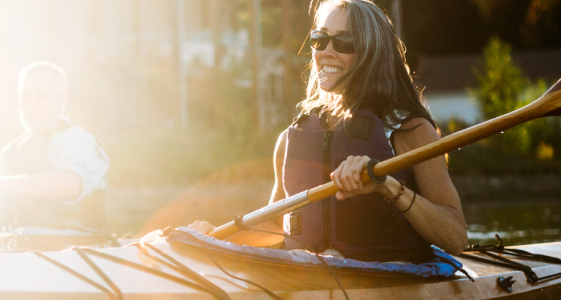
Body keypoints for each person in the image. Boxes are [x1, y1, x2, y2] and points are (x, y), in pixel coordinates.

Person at [183, 0, 466, 263]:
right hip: (307, 277)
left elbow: (455, 238)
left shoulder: (410, 132)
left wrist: (387, 185)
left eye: (344, 43)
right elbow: (274, 226)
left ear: (372, 54)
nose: (327, 51)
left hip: (390, 277)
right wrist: (214, 238)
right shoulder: (290, 138)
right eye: (320, 39)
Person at [0, 61, 110, 232]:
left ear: (63, 98)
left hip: (74, 254)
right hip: (21, 253)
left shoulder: (79, 140)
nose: (31, 103)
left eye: (42, 95)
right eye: (24, 95)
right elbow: (19, 218)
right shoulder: (10, 150)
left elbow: (69, 185)